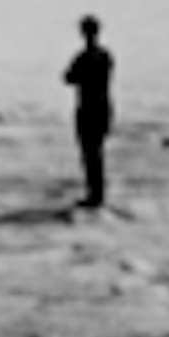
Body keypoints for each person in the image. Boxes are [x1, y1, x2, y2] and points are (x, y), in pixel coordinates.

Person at [64, 14, 114, 211]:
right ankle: (97, 194)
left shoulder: (84, 57)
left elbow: (68, 78)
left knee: (90, 153)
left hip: (88, 109)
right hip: (103, 107)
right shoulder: (105, 56)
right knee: (96, 152)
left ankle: (95, 195)